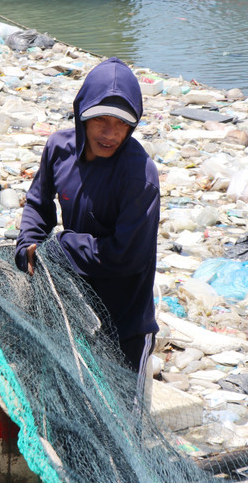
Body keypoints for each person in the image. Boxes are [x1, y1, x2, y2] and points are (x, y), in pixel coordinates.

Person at [14, 57, 160, 400]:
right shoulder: (59, 149)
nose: (109, 134)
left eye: (120, 124)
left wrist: (60, 247)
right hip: (73, 310)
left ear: (133, 126)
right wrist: (29, 246)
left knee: (122, 426)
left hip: (125, 323)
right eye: (100, 121)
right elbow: (38, 203)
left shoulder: (140, 175)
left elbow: (125, 255)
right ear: (81, 114)